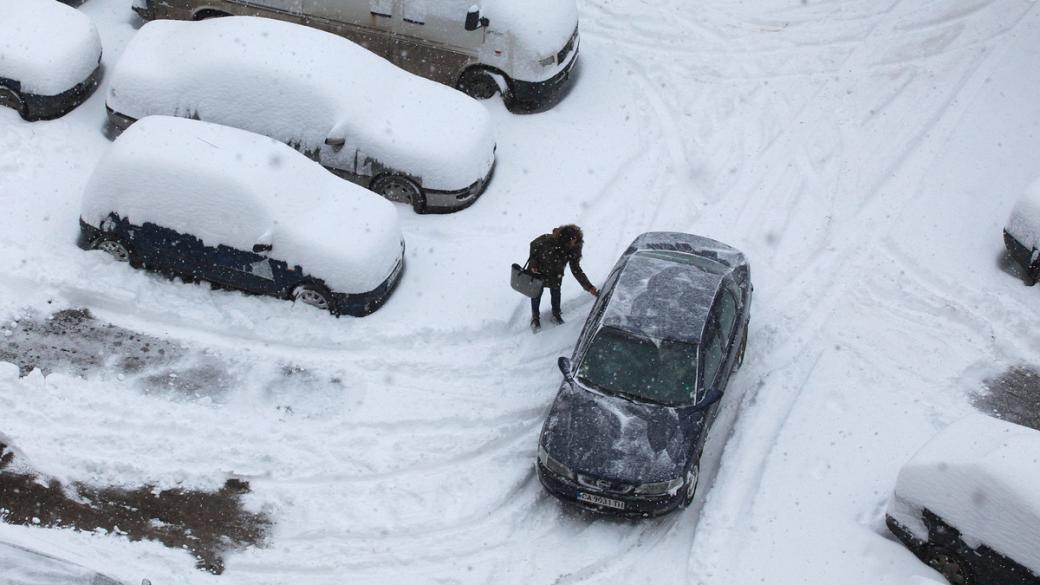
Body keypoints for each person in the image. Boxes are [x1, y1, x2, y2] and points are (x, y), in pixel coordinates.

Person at [527, 224, 598, 332]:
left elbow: (576, 269)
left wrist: (589, 287)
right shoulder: (548, 240)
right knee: (536, 294)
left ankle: (556, 315)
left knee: (556, 292)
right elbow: (533, 245)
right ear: (564, 239)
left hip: (556, 273)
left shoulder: (576, 246)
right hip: (539, 271)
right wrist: (533, 264)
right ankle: (535, 318)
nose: (572, 244)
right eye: (570, 241)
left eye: (575, 241)